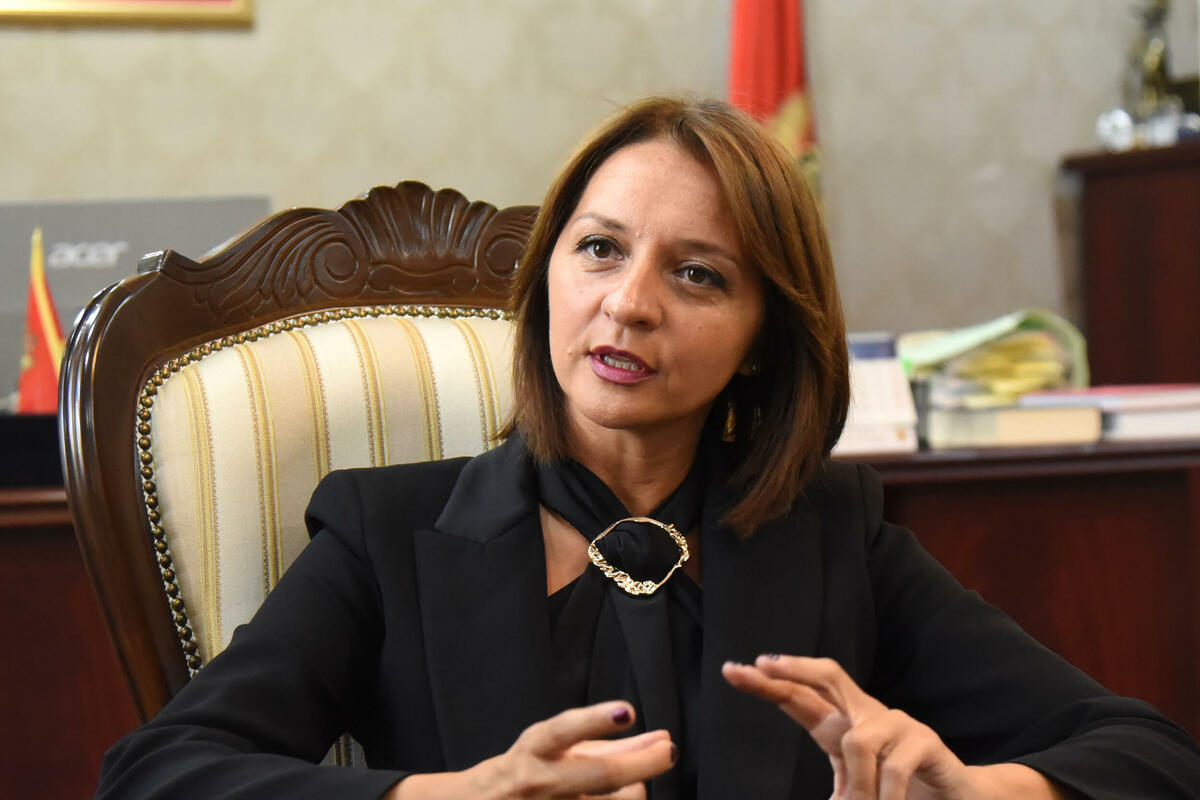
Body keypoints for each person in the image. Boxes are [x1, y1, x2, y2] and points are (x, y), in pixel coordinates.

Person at [95, 98, 1200, 800]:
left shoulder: (834, 537)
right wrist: (454, 795)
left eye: (698, 273)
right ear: (547, 280)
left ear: (763, 341)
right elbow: (158, 771)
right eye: (600, 249)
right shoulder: (385, 531)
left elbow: (1149, 754)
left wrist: (972, 787)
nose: (628, 303)